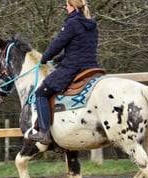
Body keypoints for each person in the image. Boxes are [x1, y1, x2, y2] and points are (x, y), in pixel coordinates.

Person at [29, 0, 100, 144]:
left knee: (41, 92)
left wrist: (44, 58)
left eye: (66, 5)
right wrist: (60, 58)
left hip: (74, 68)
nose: (66, 8)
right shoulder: (92, 25)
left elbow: (57, 43)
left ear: (72, 6)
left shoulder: (72, 23)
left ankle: (44, 133)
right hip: (92, 67)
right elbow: (81, 48)